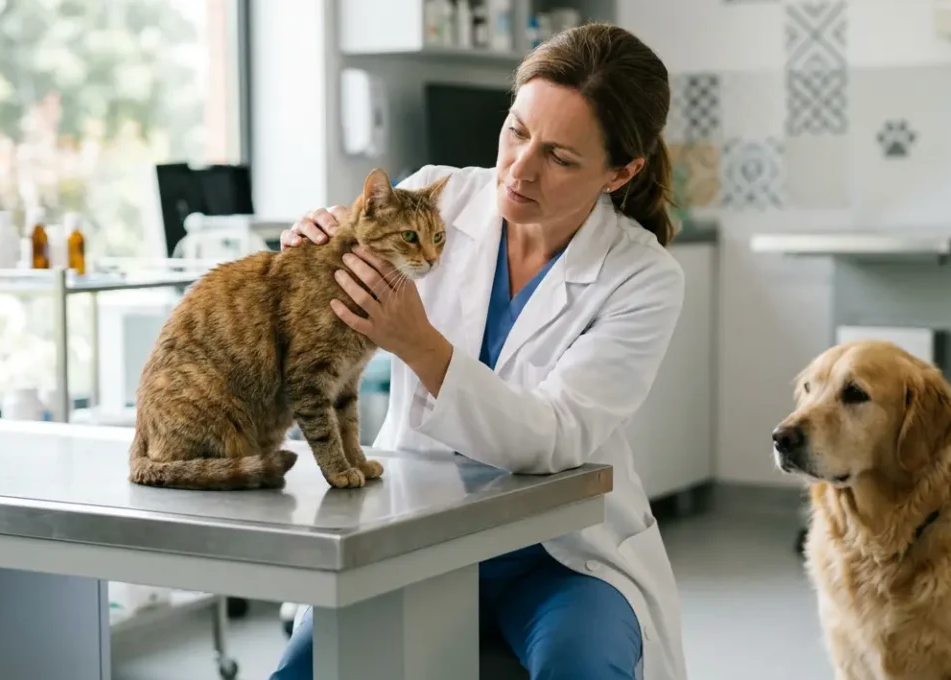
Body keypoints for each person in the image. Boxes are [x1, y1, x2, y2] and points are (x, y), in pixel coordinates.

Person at [269, 22, 687, 680]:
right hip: (416, 527)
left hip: (558, 554)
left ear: (621, 171)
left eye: (560, 157)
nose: (519, 169)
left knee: (582, 667)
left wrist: (420, 343)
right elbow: (321, 319)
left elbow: (556, 435)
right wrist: (315, 257)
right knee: (307, 669)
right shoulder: (437, 195)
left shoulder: (642, 277)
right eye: (517, 131)